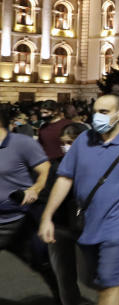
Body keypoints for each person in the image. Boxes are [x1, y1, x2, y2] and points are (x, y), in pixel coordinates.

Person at [39, 94, 119, 305]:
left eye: (103, 112)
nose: (96, 117)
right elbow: (64, 179)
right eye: (95, 112)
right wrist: (47, 216)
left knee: (108, 283)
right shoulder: (83, 140)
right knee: (99, 281)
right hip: (87, 226)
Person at [0, 107, 58, 301]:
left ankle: (63, 297)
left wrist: (34, 189)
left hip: (21, 219)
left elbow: (44, 169)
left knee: (43, 263)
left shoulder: (22, 143)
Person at [44, 122, 89, 305]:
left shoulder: (97, 166)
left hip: (88, 225)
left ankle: (113, 293)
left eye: (71, 142)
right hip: (60, 226)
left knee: (95, 274)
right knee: (64, 276)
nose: (66, 146)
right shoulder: (55, 166)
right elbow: (46, 195)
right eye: (64, 142)